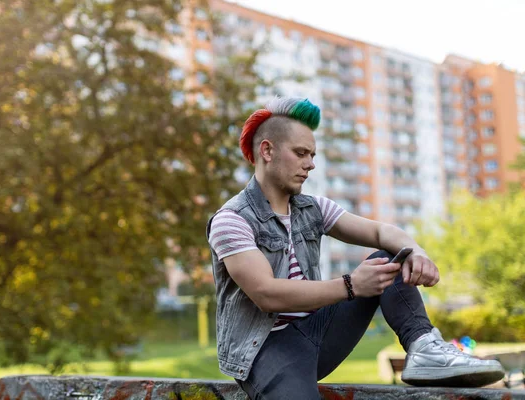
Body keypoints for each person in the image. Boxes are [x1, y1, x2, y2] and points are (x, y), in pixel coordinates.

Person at [206, 97, 504, 399]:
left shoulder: (313, 208)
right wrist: (351, 285)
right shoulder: (231, 220)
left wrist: (416, 251)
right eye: (300, 153)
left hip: (318, 331)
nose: (310, 164)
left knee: (390, 258)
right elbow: (265, 293)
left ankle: (424, 347)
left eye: (312, 154)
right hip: (265, 348)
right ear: (267, 150)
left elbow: (379, 231)